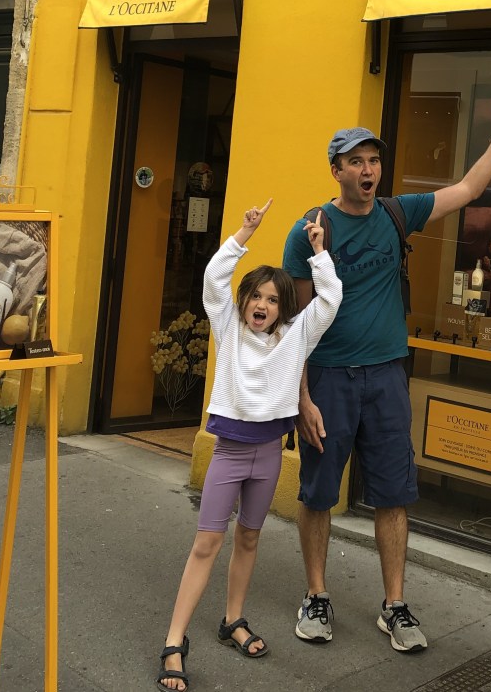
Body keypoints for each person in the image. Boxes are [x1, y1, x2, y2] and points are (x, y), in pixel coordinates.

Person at [281, 81, 491, 653]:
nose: (368, 170)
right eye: (356, 162)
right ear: (336, 170)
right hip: (331, 379)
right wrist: (302, 398)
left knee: (394, 494)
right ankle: (316, 595)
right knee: (318, 492)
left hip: (387, 375)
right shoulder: (309, 230)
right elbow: (294, 326)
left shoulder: (398, 214)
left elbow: (467, 188)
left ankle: (394, 605)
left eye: (374, 161)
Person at [157, 202, 341, 692]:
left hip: (269, 454)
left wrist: (319, 252)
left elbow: (329, 301)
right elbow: (215, 279)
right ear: (243, 302)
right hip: (231, 451)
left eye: (274, 299)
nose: (263, 305)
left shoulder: (295, 337)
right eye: (256, 297)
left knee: (250, 538)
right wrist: (244, 232)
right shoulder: (228, 328)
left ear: (284, 308)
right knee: (206, 543)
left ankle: (232, 619)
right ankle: (174, 640)